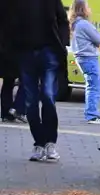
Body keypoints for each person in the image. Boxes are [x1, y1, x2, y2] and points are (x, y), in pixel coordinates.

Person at [5, 0, 69, 161]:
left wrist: (62, 44)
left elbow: (62, 20)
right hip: (25, 54)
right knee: (31, 102)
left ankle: (50, 143)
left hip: (49, 52)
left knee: (48, 96)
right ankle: (39, 143)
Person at [69, 0, 100, 125]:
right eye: (87, 6)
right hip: (89, 57)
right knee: (95, 87)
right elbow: (99, 40)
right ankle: (92, 115)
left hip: (82, 57)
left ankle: (91, 114)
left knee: (92, 85)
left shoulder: (75, 24)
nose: (89, 9)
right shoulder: (84, 24)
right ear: (83, 9)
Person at [0, 26, 26, 123]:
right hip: (20, 52)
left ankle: (6, 114)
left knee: (8, 82)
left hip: (5, 52)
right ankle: (18, 109)